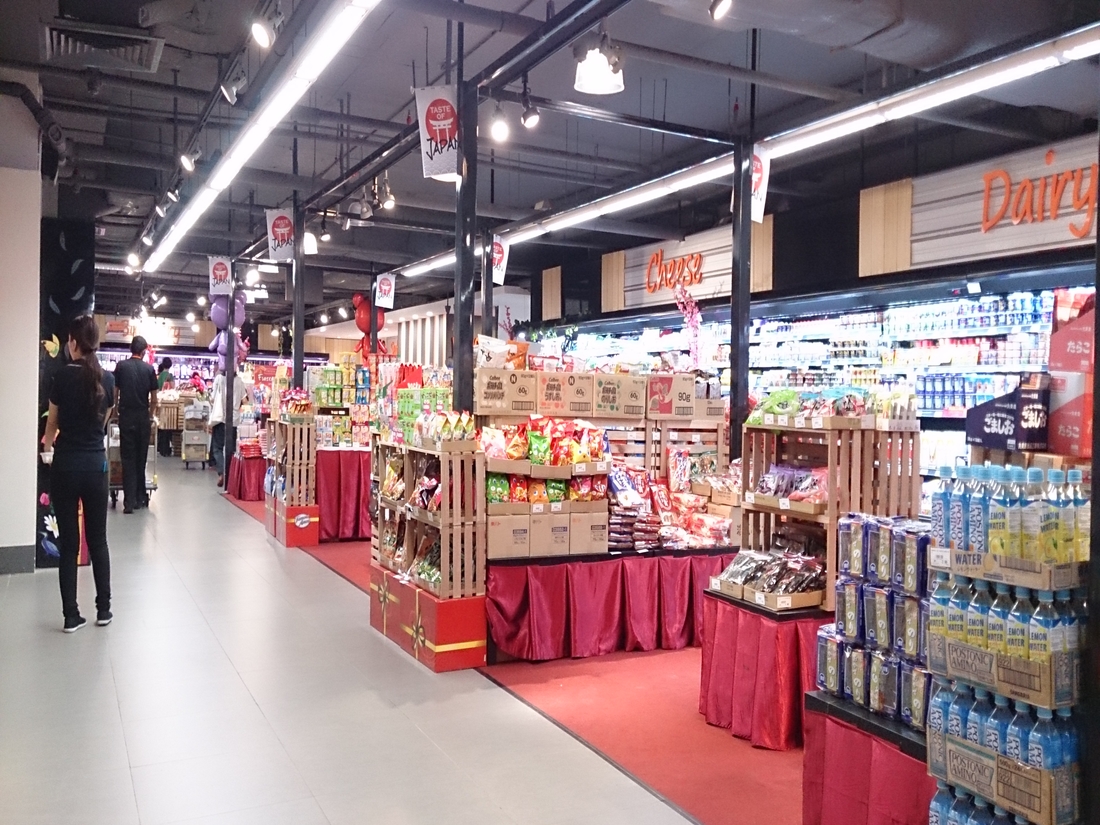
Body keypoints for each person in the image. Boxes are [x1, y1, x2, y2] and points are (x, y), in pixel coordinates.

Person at [42, 316, 115, 632]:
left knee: (69, 544)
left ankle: (71, 616)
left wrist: (47, 448)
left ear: (72, 342)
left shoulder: (61, 376)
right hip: (96, 466)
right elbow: (104, 421)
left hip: (65, 466)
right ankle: (104, 610)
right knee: (98, 540)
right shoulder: (107, 379)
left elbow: (52, 423)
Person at [113, 336, 157, 513]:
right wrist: (150, 416)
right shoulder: (149, 369)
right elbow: (154, 398)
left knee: (127, 459)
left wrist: (115, 412)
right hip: (142, 418)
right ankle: (140, 497)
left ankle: (128, 502)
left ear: (130, 349)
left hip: (126, 417)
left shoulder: (121, 367)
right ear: (144, 351)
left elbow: (115, 393)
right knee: (141, 459)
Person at [208, 369, 245, 486]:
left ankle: (221, 472)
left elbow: (213, 399)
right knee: (231, 449)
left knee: (217, 448)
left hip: (221, 418)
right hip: (234, 420)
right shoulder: (239, 381)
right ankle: (231, 476)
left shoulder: (219, 379)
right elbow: (245, 400)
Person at [156, 358, 174, 456]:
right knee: (168, 427)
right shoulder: (169, 376)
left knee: (161, 427)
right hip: (169, 404)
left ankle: (160, 447)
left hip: (160, 403)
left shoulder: (159, 376)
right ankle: (166, 449)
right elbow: (173, 389)